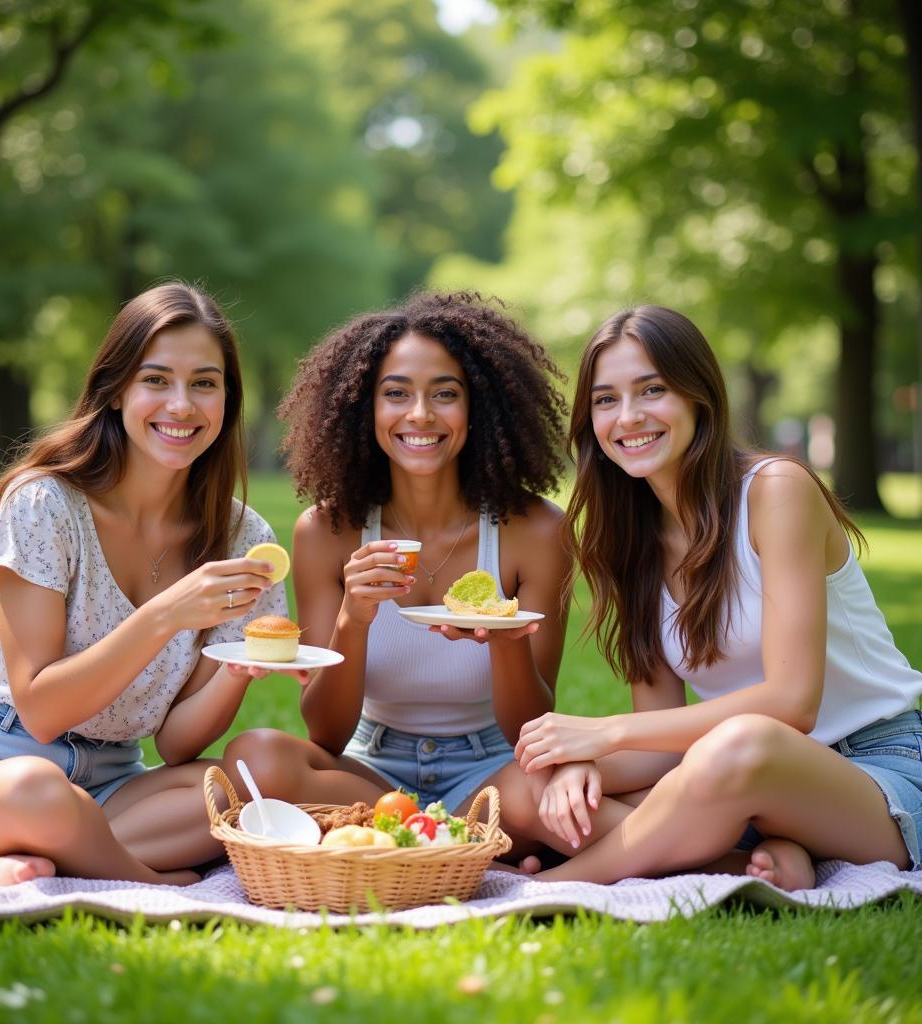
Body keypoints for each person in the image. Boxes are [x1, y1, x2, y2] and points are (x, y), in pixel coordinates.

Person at [0, 282, 304, 887]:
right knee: (38, 790)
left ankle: (44, 860)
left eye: (204, 383)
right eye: (156, 380)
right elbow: (39, 709)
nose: (182, 405)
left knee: (249, 785)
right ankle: (144, 879)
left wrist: (235, 668)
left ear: (227, 399)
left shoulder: (243, 538)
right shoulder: (44, 504)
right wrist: (166, 614)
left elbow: (175, 745)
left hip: (114, 778)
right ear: (116, 392)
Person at [512, 304, 922, 889]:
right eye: (605, 400)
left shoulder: (776, 491)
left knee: (740, 744)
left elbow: (791, 703)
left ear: (698, 396)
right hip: (730, 774)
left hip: (876, 768)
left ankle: (557, 885)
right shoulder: (633, 540)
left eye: (651, 390)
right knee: (528, 784)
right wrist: (574, 761)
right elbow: (660, 741)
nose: (628, 417)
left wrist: (607, 733)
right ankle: (752, 858)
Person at [231, 292, 570, 830]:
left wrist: (506, 640)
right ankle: (455, 837)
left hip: (492, 769)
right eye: (395, 393)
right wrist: (353, 618)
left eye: (445, 394)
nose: (420, 415)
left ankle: (417, 833)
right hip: (369, 769)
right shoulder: (325, 533)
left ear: (478, 406)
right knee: (256, 757)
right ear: (363, 409)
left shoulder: (537, 531)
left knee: (555, 789)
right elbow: (326, 734)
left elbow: (530, 727)